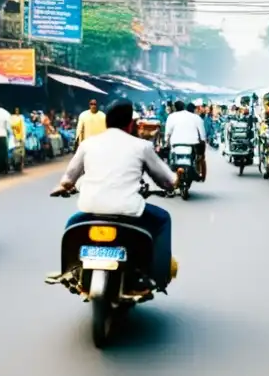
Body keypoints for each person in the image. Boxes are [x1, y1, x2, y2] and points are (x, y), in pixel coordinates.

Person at [51, 100, 177, 288]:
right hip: (129, 210)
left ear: (106, 121)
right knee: (163, 219)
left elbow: (68, 180)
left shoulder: (88, 144)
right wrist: (173, 183)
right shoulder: (142, 146)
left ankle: (69, 271)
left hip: (91, 208)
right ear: (130, 123)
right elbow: (166, 181)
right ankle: (159, 276)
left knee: (72, 224)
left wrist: (64, 187)